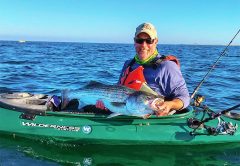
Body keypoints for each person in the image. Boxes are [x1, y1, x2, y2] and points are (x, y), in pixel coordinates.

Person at [97, 22, 191, 116]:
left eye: (149, 41)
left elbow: (184, 97)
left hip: (151, 123)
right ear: (134, 42)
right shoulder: (128, 64)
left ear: (155, 41)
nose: (144, 45)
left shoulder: (167, 67)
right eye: (139, 40)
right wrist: (108, 104)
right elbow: (118, 91)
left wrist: (170, 104)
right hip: (123, 115)